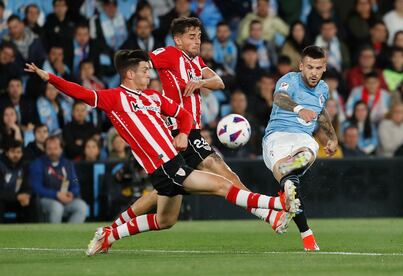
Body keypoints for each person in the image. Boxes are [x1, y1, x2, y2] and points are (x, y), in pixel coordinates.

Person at [24, 49, 299, 255]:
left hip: (173, 160)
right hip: (162, 166)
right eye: (145, 70)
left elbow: (184, 115)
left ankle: (109, 234)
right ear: (130, 73)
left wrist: (181, 133)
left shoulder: (153, 97)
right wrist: (48, 77)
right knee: (219, 185)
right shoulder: (114, 98)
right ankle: (277, 204)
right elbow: (80, 93)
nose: (149, 74)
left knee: (165, 220)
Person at [117, 17, 294, 237]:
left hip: (190, 132)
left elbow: (219, 82)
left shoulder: (196, 62)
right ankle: (270, 215)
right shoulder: (170, 54)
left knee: (164, 191)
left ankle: (115, 226)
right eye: (191, 37)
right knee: (225, 173)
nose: (197, 41)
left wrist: (200, 82)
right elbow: (142, 61)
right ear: (178, 40)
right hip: (180, 131)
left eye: (199, 36)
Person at [262, 45, 339, 251]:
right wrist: (299, 108)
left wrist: (332, 136)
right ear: (301, 66)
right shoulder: (290, 80)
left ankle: (286, 183)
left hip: (302, 138)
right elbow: (279, 98)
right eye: (310, 67)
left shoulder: (323, 88)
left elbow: (321, 113)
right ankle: (288, 183)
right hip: (277, 136)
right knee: (290, 178)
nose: (313, 73)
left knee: (307, 152)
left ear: (324, 68)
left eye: (318, 68)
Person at [29, 135, 88, 223]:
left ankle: (70, 233)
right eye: (49, 148)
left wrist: (72, 193)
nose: (52, 151)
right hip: (45, 199)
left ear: (61, 149)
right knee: (57, 207)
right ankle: (54, 235)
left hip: (66, 199)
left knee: (82, 206)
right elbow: (36, 187)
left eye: (55, 148)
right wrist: (56, 194)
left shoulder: (68, 164)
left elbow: (75, 180)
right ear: (45, 149)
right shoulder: (37, 164)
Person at [0, 140, 37, 223]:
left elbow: (30, 184)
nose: (16, 155)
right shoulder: (1, 166)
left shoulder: (26, 166)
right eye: (12, 152)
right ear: (6, 153)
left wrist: (26, 194)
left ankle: (32, 229)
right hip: (4, 199)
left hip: (20, 199)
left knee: (33, 199)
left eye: (18, 152)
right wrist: (15, 197)